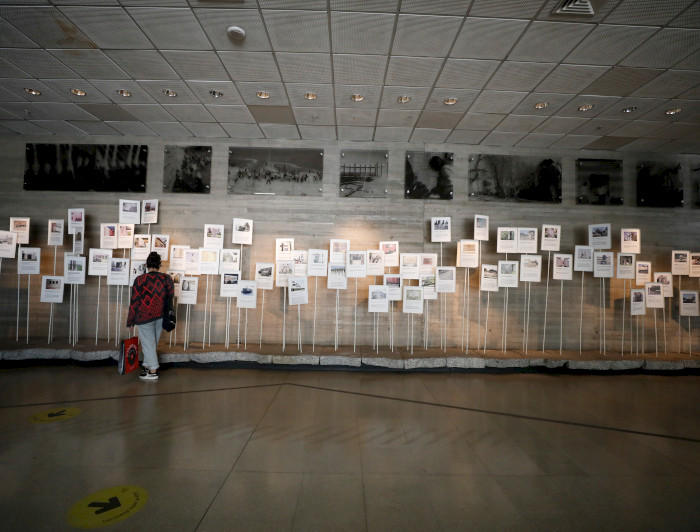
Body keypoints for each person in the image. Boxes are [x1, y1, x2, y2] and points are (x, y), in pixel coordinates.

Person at [126, 252, 174, 381]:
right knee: (151, 344)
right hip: (160, 316)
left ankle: (153, 371)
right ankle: (147, 367)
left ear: (147, 265)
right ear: (159, 264)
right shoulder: (166, 278)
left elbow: (134, 301)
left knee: (148, 344)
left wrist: (130, 321)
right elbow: (170, 297)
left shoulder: (140, 280)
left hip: (144, 316)